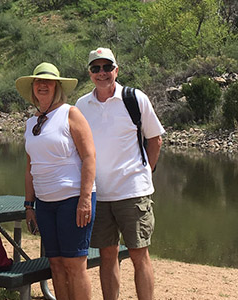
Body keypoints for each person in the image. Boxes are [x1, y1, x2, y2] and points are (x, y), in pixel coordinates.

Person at [75, 48, 164, 300]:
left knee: (139, 253)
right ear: (90, 73)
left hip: (133, 191)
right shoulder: (82, 105)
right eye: (96, 68)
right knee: (107, 254)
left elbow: (155, 140)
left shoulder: (135, 99)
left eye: (106, 67)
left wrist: (146, 172)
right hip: (99, 193)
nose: (101, 73)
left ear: (116, 69)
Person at [18, 62, 97, 299]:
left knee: (75, 265)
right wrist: (29, 205)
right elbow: (30, 167)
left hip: (72, 200)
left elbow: (89, 156)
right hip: (44, 204)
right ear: (33, 88)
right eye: (38, 81)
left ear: (57, 87)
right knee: (56, 265)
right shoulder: (32, 122)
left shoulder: (70, 113)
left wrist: (85, 199)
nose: (42, 85)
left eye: (48, 81)